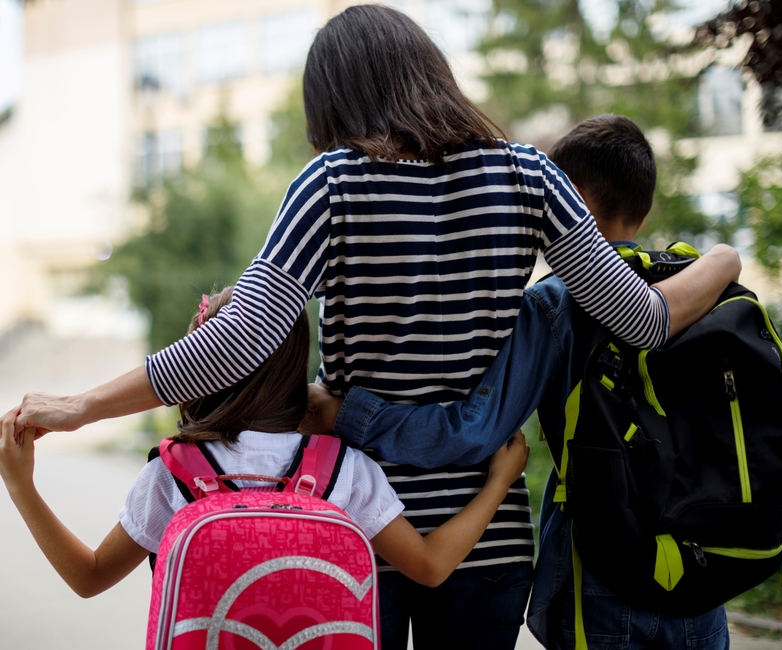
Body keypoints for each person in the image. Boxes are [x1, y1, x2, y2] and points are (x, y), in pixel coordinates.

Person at [13, 6, 741, 649]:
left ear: (335, 101)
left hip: (354, 524)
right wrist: (723, 259)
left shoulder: (332, 183)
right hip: (487, 532)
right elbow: (644, 322)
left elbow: (238, 341)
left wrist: (79, 407)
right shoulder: (530, 177)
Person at [305, 115, 734, 649]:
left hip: (607, 569)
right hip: (705, 576)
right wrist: (724, 257)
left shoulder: (554, 306)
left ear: (567, 200)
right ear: (641, 214)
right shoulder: (700, 289)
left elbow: (472, 431)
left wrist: (345, 413)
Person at [0, 287, 530, 603]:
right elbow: (431, 567)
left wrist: (21, 485)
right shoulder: (343, 469)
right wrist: (498, 484)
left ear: (195, 370)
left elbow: (89, 578)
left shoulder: (173, 474)